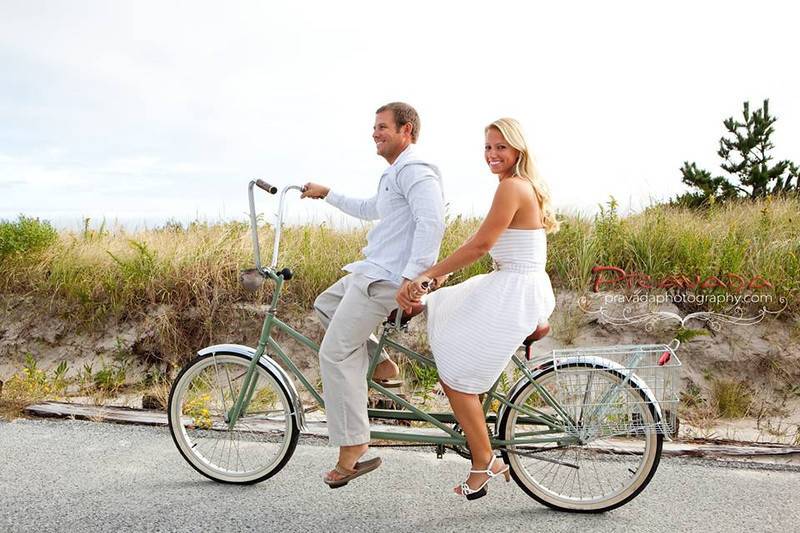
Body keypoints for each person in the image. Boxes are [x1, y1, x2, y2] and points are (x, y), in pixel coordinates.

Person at [397, 117, 558, 500]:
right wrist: (438, 283)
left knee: (456, 377)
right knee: (441, 309)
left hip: (514, 291)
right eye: (488, 147)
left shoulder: (512, 188)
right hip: (515, 285)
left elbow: (481, 244)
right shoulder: (521, 186)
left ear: (518, 149)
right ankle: (480, 443)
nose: (492, 154)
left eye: (501, 147)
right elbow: (492, 249)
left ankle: (483, 461)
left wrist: (430, 276)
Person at [301, 102, 446, 488]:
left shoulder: (416, 171)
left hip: (387, 280)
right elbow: (369, 209)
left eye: (382, 127)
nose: (375, 133)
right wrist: (327, 193)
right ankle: (379, 363)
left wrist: (414, 281)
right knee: (325, 304)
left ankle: (353, 448)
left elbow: (432, 222)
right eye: (374, 127)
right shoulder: (393, 174)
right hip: (370, 271)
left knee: (333, 353)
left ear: (407, 130)